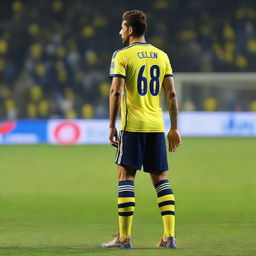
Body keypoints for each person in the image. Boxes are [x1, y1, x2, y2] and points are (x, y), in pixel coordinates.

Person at [102, 10, 181, 249]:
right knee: (161, 180)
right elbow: (172, 94)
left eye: (122, 27)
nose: (120, 31)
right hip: (156, 126)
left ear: (130, 30)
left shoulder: (122, 55)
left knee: (125, 177)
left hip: (132, 126)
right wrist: (174, 128)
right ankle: (169, 237)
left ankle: (124, 238)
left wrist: (111, 125)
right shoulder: (162, 55)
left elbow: (116, 91)